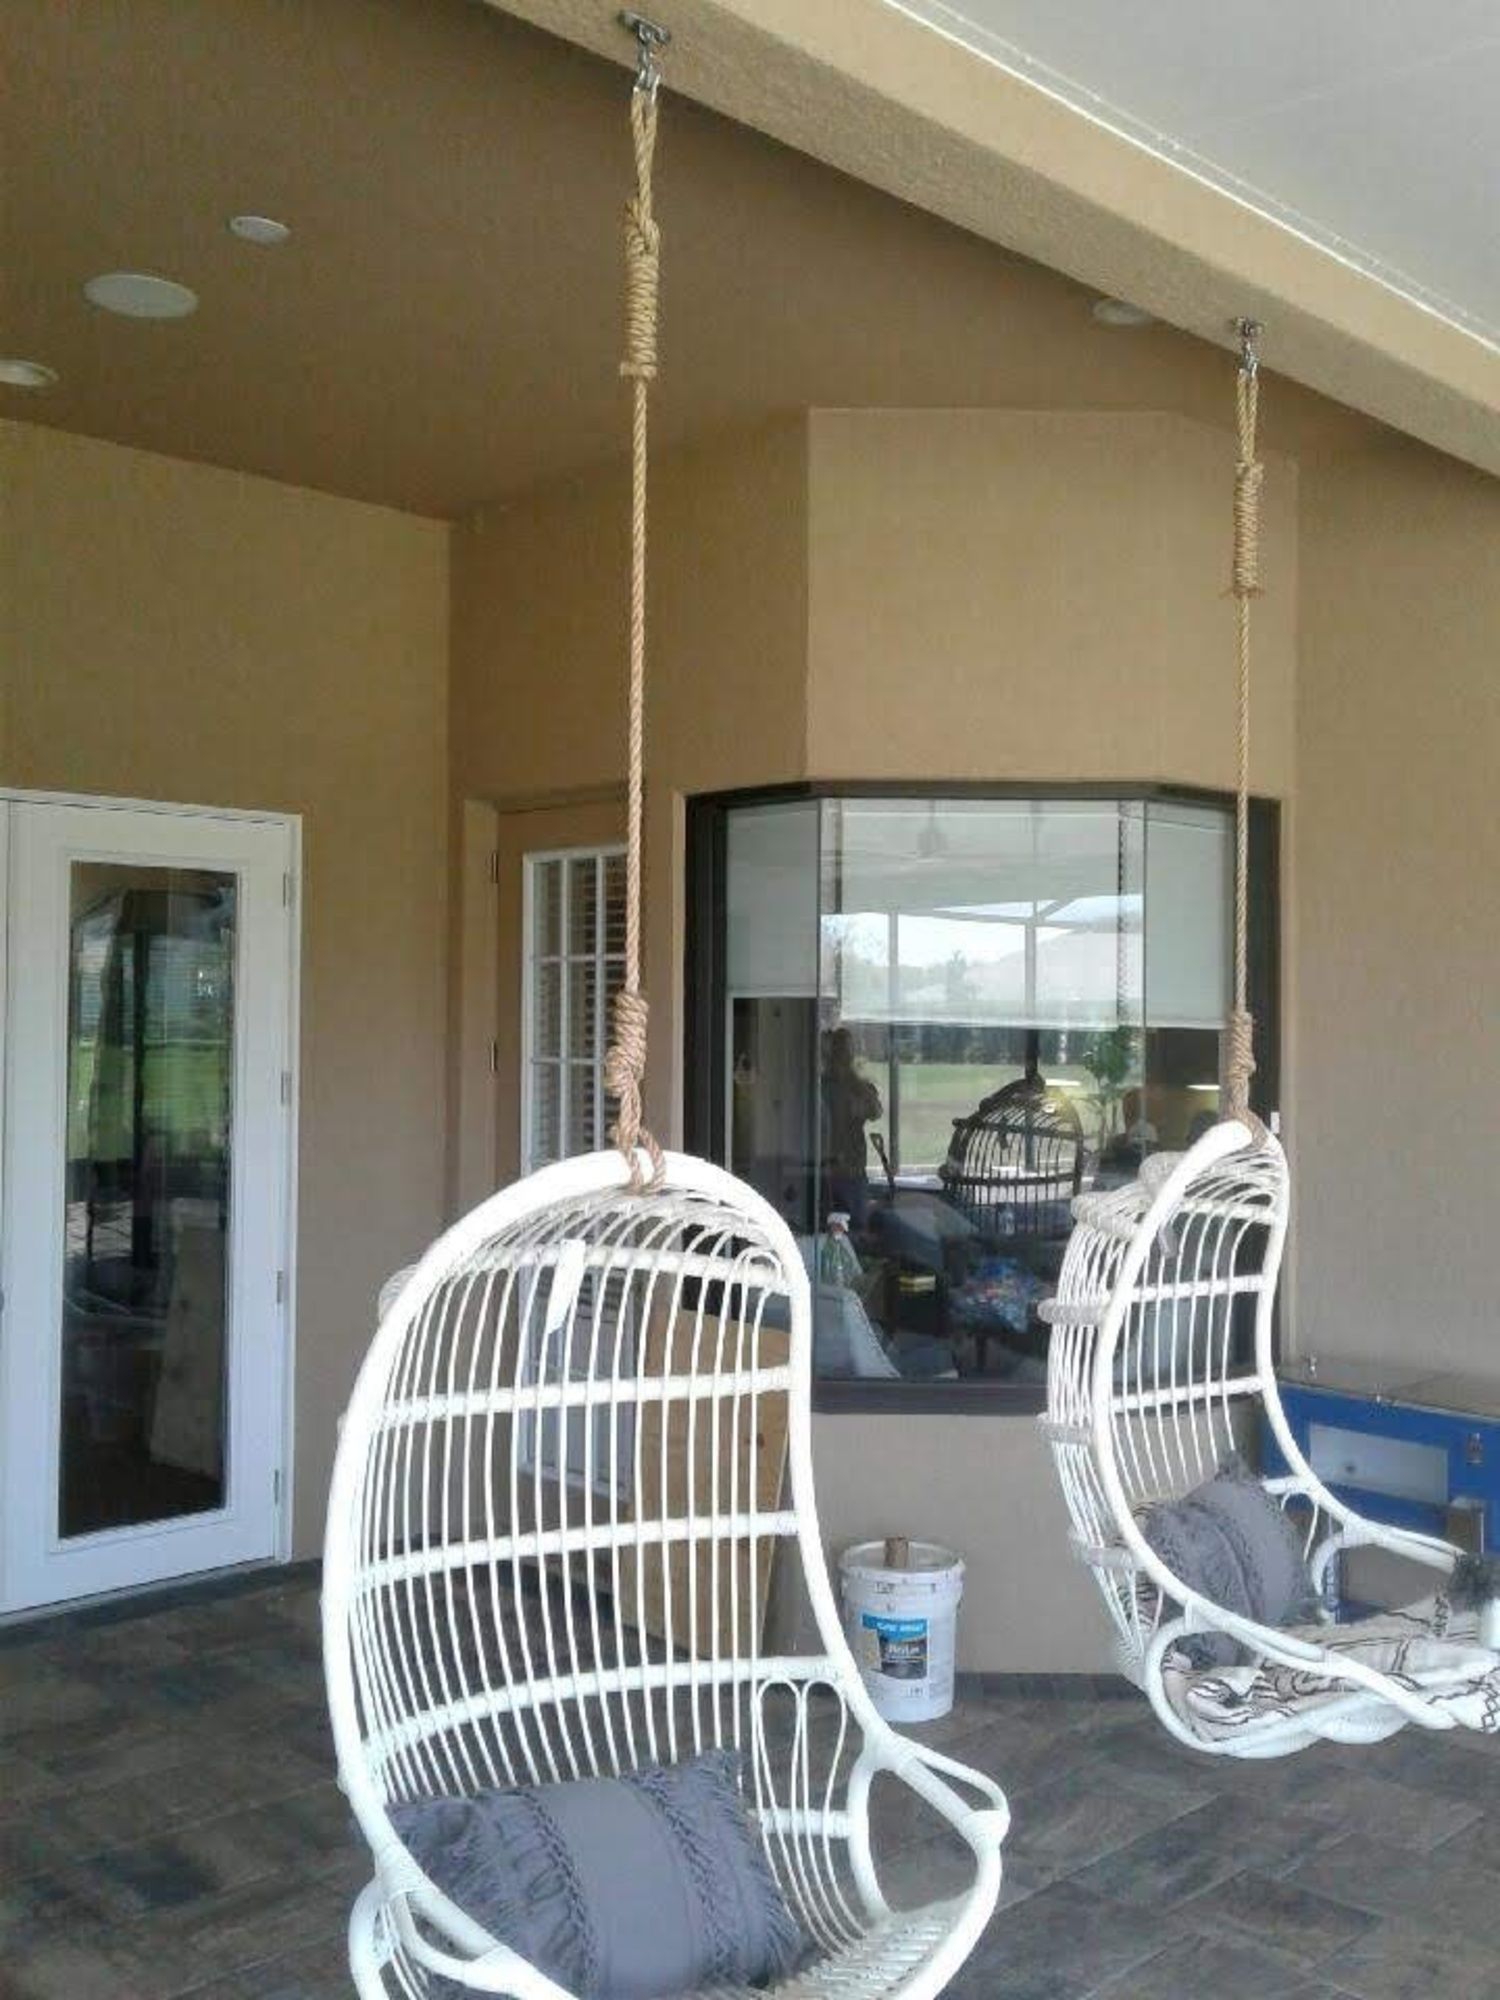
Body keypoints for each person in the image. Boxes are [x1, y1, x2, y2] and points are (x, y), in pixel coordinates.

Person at [821, 1026, 882, 1227]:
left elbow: (875, 1111)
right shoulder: (822, 1087)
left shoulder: (856, 1086)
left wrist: (856, 1082)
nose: (844, 1056)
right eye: (840, 1051)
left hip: (853, 1167)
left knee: (855, 1225)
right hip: (829, 1168)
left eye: (847, 1050)